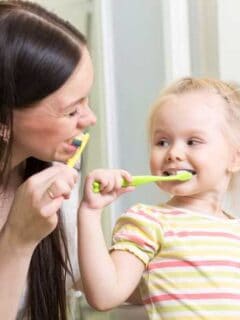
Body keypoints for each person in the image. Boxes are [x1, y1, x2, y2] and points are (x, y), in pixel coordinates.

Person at [78, 77, 240, 319]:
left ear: (234, 159)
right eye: (162, 141)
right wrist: (90, 213)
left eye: (193, 142)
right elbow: (105, 295)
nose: (173, 153)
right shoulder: (147, 222)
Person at [0, 1, 96, 319]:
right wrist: (18, 239)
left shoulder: (56, 174)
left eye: (87, 100)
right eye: (72, 110)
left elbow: (87, 281)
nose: (90, 119)